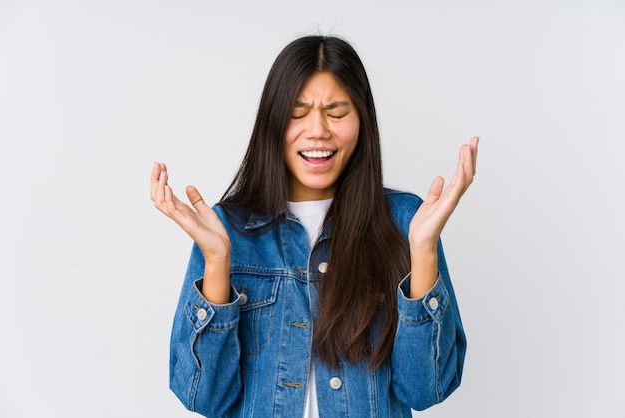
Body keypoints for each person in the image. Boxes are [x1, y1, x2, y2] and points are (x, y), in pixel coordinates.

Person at [150, 35, 478, 418]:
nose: (318, 130)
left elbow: (425, 389)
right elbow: (204, 398)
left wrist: (421, 251)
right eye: (298, 112)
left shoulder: (407, 223)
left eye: (336, 112)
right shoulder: (226, 231)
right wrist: (219, 260)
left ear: (362, 121)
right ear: (272, 121)